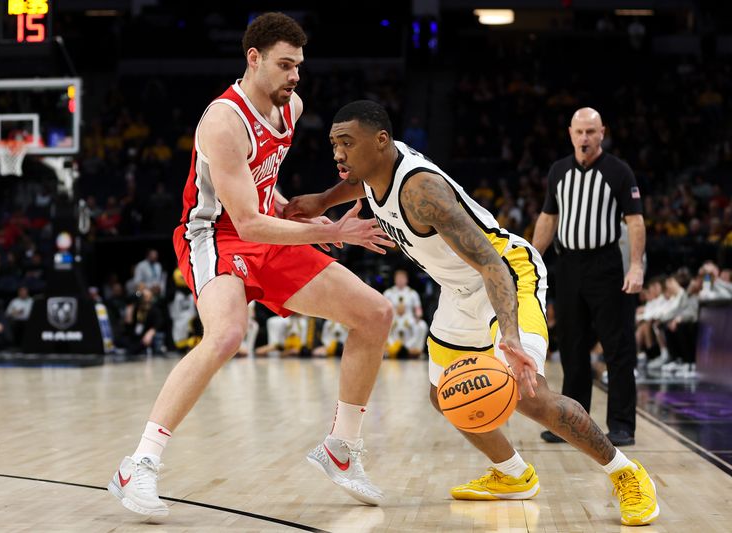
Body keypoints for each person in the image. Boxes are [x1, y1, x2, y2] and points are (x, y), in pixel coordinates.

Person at [285, 100, 659, 526]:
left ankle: (626, 473)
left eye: (347, 143)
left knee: (527, 393)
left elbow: (492, 266)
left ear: (381, 141)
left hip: (506, 275)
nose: (338, 153)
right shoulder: (375, 168)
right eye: (335, 144)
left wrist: (511, 338)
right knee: (444, 393)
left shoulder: (420, 192)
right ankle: (514, 474)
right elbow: (360, 185)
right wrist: (320, 202)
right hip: (460, 287)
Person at [107, 13, 395, 518]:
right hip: (215, 234)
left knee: (376, 315)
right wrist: (330, 230)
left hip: (264, 227)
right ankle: (140, 464)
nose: (295, 77)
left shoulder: (292, 106)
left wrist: (291, 204)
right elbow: (245, 220)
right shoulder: (222, 121)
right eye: (285, 65)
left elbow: (259, 185)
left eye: (299, 66)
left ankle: (340, 448)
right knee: (226, 336)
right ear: (253, 59)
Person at [532, 108, 645, 447]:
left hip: (606, 265)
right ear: (570, 133)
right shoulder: (559, 171)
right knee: (572, 346)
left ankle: (622, 425)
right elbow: (548, 219)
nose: (584, 138)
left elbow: (636, 221)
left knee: (618, 346)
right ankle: (572, 423)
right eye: (579, 132)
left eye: (591, 132)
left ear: (602, 133)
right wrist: (532, 259)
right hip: (568, 267)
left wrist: (636, 265)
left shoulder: (618, 171)